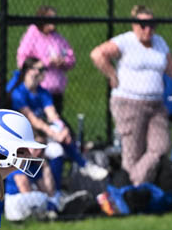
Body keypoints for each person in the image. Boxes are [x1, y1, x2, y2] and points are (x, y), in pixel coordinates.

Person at [90, 5, 172, 186]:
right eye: (143, 25)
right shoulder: (125, 41)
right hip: (129, 103)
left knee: (161, 146)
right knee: (133, 153)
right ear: (134, 25)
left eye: (152, 25)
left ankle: (132, 187)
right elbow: (97, 54)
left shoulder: (160, 43)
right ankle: (131, 192)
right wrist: (112, 75)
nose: (148, 30)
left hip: (156, 104)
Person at [9, 57, 109, 187]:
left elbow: (52, 115)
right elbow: (33, 120)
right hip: (24, 134)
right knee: (56, 139)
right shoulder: (18, 92)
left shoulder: (42, 92)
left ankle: (56, 193)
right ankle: (83, 164)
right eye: (40, 69)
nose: (44, 72)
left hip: (42, 134)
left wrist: (62, 128)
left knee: (57, 150)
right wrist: (55, 134)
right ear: (29, 71)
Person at [16, 6, 76, 113]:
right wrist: (47, 61)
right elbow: (22, 61)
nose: (53, 22)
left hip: (56, 91)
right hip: (39, 90)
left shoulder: (57, 38)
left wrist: (63, 61)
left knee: (55, 118)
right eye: (50, 19)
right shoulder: (32, 35)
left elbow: (71, 58)